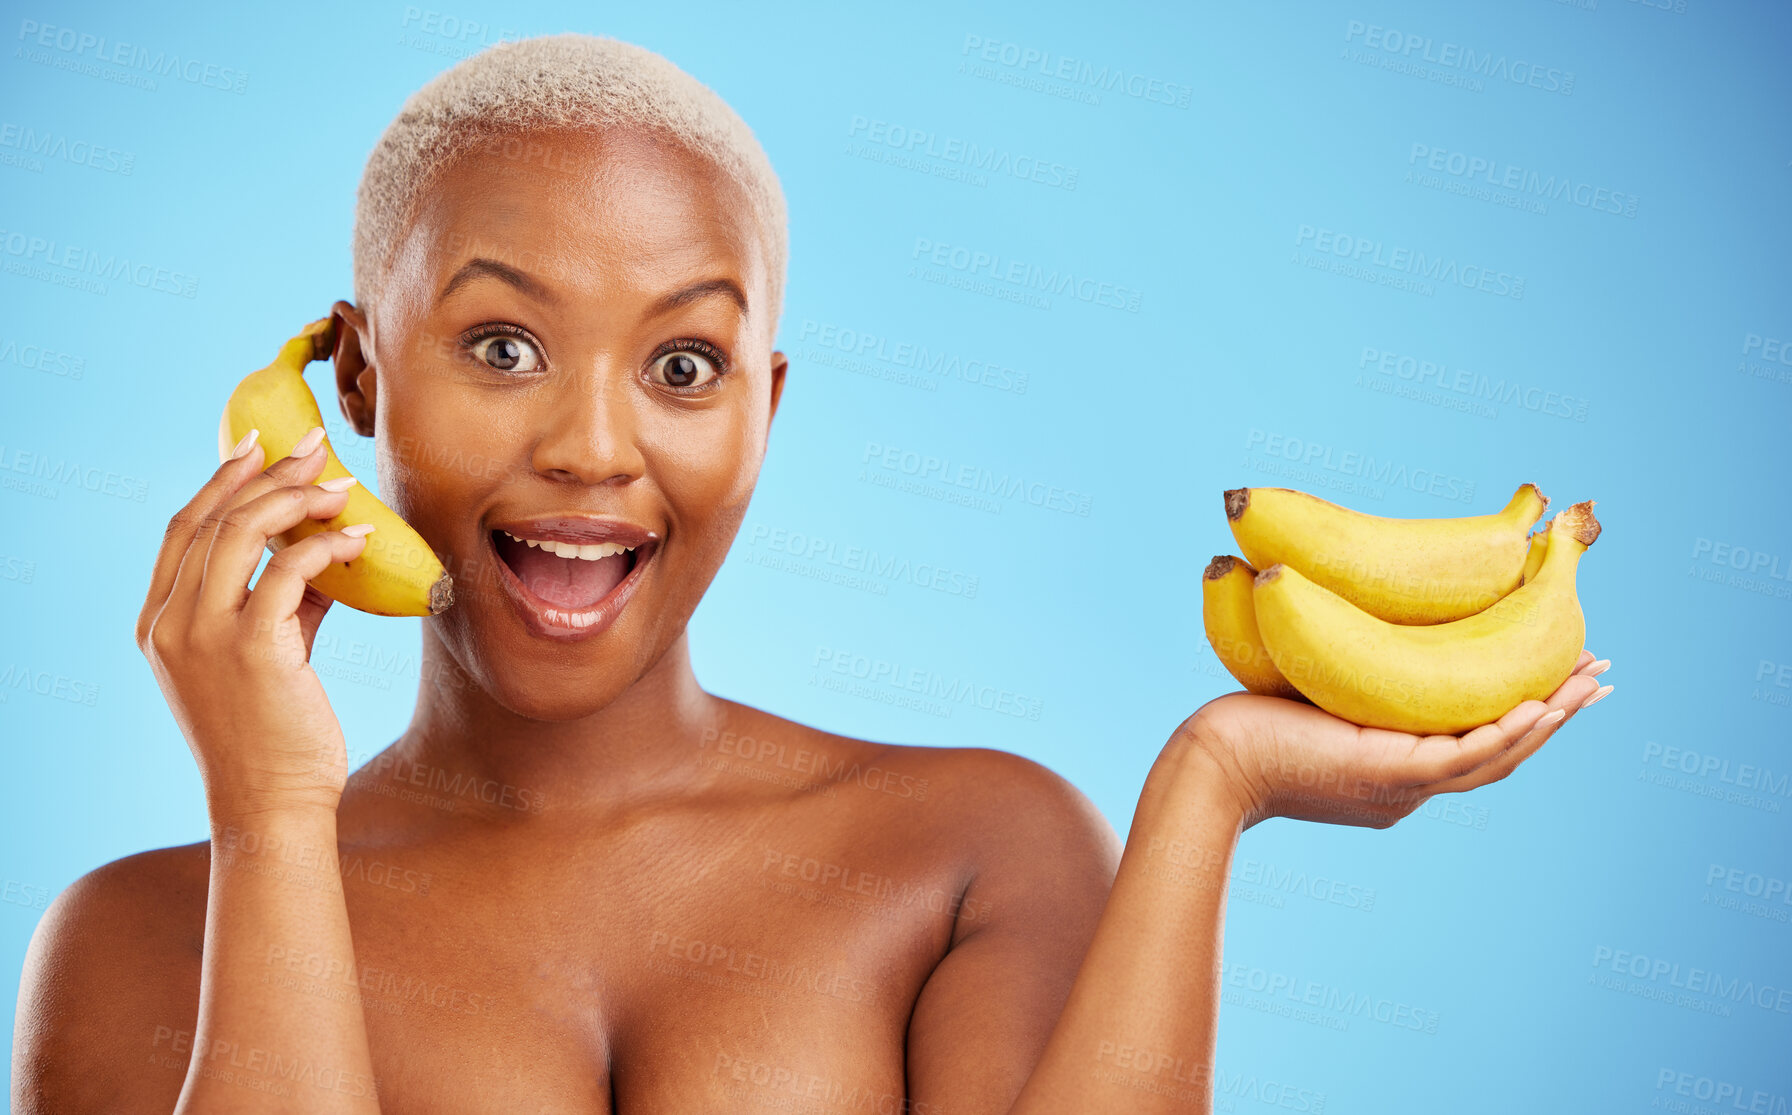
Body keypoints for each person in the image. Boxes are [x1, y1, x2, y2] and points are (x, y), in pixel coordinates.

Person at [11, 33, 1611, 1114]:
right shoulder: (143, 939)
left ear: (766, 412)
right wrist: (273, 821)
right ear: (355, 381)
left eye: (685, 367)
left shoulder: (970, 853)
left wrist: (1213, 786)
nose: (591, 445)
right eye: (502, 344)